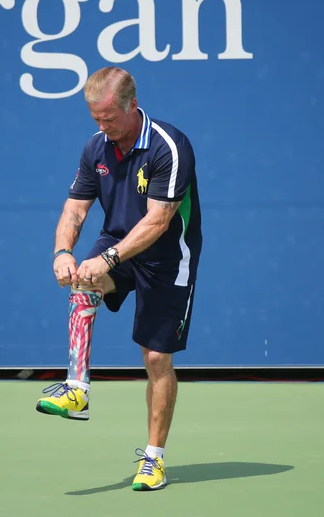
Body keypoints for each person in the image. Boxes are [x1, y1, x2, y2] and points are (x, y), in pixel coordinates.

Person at [36, 67, 202, 491]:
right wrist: (62, 252)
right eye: (95, 118)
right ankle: (77, 389)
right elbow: (75, 209)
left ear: (132, 106)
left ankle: (154, 459)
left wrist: (107, 258)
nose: (102, 126)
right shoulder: (95, 148)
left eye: (108, 117)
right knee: (81, 283)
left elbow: (159, 221)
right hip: (118, 243)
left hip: (167, 258)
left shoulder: (170, 146)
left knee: (155, 359)